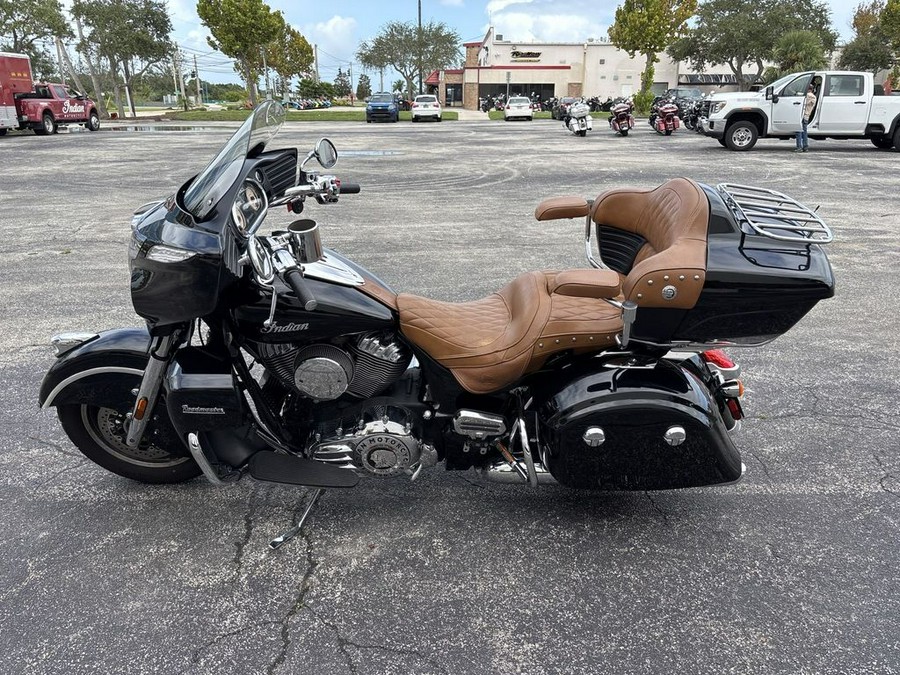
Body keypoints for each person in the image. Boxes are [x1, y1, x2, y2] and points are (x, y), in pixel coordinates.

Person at [795, 84, 817, 153]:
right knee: (804, 132)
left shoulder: (808, 96)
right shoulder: (814, 97)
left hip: (803, 115)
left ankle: (799, 147)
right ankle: (805, 146)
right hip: (807, 116)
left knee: (799, 131)